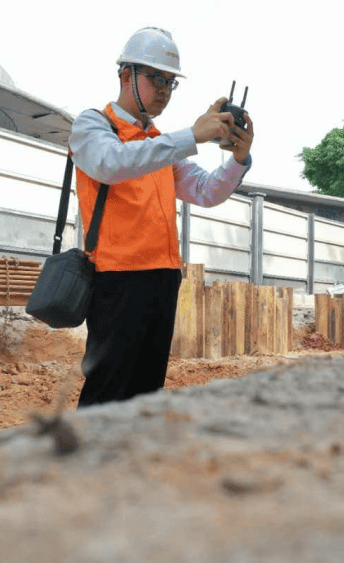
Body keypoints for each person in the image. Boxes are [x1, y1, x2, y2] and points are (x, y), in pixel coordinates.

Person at [69, 26, 254, 407]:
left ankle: (132, 461)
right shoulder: (93, 127)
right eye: (157, 79)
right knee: (108, 389)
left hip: (162, 279)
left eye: (171, 83)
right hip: (117, 280)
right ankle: (86, 463)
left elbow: (205, 191)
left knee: (146, 392)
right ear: (125, 75)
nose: (165, 91)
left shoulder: (159, 144)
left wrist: (238, 160)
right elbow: (111, 164)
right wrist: (190, 136)